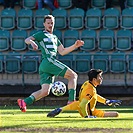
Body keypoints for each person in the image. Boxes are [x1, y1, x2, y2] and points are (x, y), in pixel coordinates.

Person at [17, 15, 84, 112]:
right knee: (73, 76)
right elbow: (26, 39)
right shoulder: (41, 34)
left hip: (45, 65)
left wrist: (75, 46)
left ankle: (24, 102)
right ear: (44, 24)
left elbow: (62, 51)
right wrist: (32, 42)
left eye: (52, 23)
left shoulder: (55, 37)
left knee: (45, 91)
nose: (50, 25)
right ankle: (71, 101)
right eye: (48, 23)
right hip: (49, 61)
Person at [47, 69, 122, 118]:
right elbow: (83, 105)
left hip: (80, 106)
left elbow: (94, 96)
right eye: (100, 77)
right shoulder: (91, 90)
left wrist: (106, 101)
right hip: (91, 112)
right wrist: (87, 116)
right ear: (94, 79)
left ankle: (60, 109)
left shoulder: (87, 83)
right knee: (116, 114)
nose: (101, 78)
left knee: (77, 103)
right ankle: (62, 110)